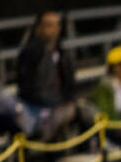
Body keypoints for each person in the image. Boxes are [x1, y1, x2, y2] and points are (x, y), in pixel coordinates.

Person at [16, 10, 79, 142]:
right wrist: (56, 102)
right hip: (37, 106)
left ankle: (93, 149)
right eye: (50, 25)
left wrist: (67, 100)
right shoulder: (30, 53)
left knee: (83, 111)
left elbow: (70, 84)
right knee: (56, 117)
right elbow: (27, 90)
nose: (55, 29)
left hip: (60, 103)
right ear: (39, 28)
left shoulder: (62, 52)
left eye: (57, 25)